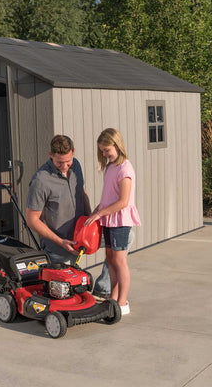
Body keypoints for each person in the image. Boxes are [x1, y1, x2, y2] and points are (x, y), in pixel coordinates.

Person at [85, 128, 141, 315]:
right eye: (102, 150)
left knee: (119, 261)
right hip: (109, 219)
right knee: (110, 260)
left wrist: (100, 214)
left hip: (120, 220)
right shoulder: (110, 167)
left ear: (117, 145)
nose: (104, 154)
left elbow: (123, 202)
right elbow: (107, 197)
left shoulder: (125, 169)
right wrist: (95, 211)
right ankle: (113, 298)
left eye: (107, 149)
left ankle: (122, 302)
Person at [26, 135, 91, 265]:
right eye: (59, 162)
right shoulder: (41, 180)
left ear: (73, 152)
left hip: (80, 237)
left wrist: (90, 219)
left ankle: (102, 285)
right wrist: (60, 242)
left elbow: (82, 192)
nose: (64, 166)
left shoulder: (76, 164)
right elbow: (31, 220)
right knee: (65, 284)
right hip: (58, 249)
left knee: (124, 239)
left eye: (68, 161)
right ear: (51, 155)